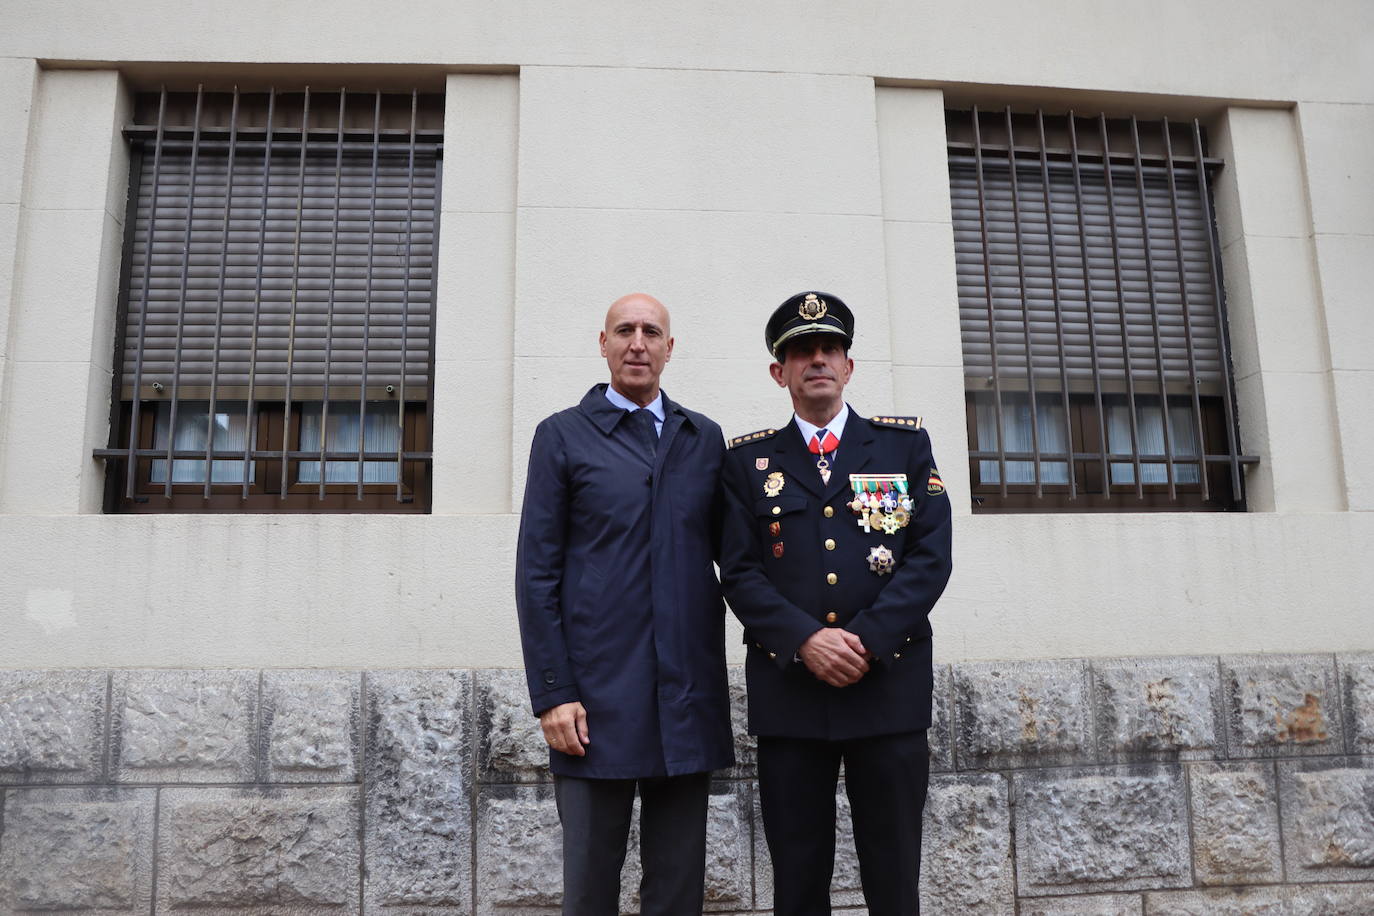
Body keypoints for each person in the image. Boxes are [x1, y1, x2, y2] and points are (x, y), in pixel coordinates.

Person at [719, 291, 953, 916]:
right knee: (797, 875)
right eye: (801, 352)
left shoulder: (903, 448)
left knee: (893, 869)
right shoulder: (747, 463)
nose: (816, 360)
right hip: (792, 693)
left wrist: (867, 640)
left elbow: (929, 557)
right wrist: (805, 640)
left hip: (889, 687)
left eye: (829, 349)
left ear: (849, 366)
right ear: (780, 372)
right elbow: (738, 571)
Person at [515, 292, 734, 916]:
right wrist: (553, 692)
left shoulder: (702, 438)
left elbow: (738, 559)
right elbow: (536, 573)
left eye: (652, 332)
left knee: (677, 891)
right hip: (592, 705)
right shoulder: (561, 436)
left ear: (670, 347)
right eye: (625, 331)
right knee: (589, 889)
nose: (638, 342)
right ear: (604, 343)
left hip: (683, 698)